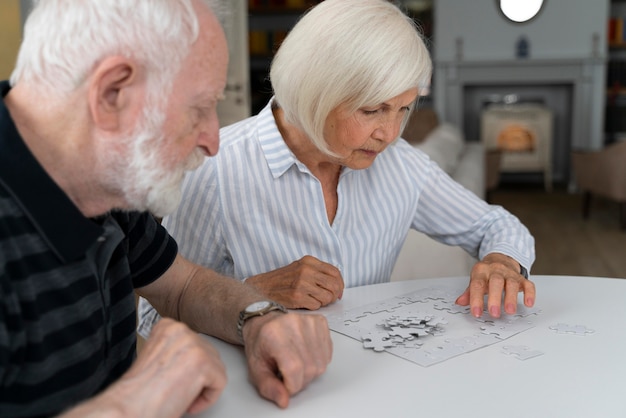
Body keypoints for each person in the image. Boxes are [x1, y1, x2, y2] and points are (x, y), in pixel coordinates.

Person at [0, 1, 332, 417]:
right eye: (199, 109)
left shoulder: (105, 169)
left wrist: (256, 319)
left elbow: (183, 285)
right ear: (112, 93)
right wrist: (130, 404)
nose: (213, 141)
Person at [138, 0, 537, 340]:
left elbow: (496, 226)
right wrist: (249, 294)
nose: (390, 133)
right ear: (314, 92)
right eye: (372, 109)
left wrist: (501, 262)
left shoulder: (400, 165)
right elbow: (150, 322)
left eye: (403, 109)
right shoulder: (216, 172)